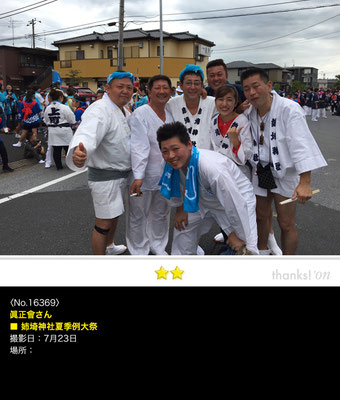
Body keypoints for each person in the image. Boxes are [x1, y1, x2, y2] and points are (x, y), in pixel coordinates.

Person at [240, 67, 327, 255]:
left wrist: (305, 182)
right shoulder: (249, 112)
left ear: (269, 85)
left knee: (286, 222)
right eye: (247, 89)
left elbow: (301, 144)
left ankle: (287, 264)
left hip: (285, 174)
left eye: (256, 86)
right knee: (261, 217)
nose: (252, 92)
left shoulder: (289, 109)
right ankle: (261, 255)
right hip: (261, 171)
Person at [157, 121, 259, 255]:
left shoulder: (212, 168)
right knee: (182, 230)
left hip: (237, 199)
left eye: (175, 149)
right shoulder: (168, 165)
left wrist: (237, 236)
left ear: (189, 144)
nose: (170, 156)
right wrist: (181, 209)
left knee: (247, 247)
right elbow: (182, 186)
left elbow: (235, 205)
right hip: (201, 199)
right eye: (165, 151)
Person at [66, 71, 134, 256]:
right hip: (105, 177)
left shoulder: (124, 111)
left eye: (129, 87)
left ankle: (110, 246)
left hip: (121, 174)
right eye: (120, 86)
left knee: (114, 215)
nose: (125, 91)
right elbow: (87, 133)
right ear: (108, 88)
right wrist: (80, 152)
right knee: (103, 224)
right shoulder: (99, 109)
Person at [210, 84, 282, 255]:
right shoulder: (214, 120)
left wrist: (235, 142)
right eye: (221, 99)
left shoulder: (242, 121)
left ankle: (249, 248)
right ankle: (233, 243)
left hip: (239, 173)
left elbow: (245, 156)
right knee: (226, 210)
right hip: (220, 173)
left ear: (236, 102)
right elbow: (213, 149)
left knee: (242, 210)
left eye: (229, 100)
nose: (225, 104)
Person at [166, 64, 216, 255]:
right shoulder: (172, 104)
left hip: (208, 164)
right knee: (187, 211)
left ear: (202, 85)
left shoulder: (211, 102)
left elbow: (232, 99)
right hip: (182, 165)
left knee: (214, 210)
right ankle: (186, 248)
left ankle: (194, 242)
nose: (193, 87)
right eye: (188, 83)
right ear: (180, 84)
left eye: (197, 83)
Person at [127, 75, 173, 255]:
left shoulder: (170, 113)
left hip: (165, 173)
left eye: (165, 88)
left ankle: (158, 245)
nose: (162, 91)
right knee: (138, 214)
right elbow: (138, 146)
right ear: (149, 91)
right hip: (143, 174)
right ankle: (139, 249)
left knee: (162, 212)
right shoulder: (141, 113)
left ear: (170, 91)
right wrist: (138, 176)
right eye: (157, 88)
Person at [44, 89, 76, 170]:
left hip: (53, 130)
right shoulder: (64, 107)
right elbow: (72, 119)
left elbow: (46, 120)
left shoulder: (48, 108)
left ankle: (59, 166)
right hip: (64, 130)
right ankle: (71, 164)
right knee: (67, 148)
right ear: (60, 97)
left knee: (56, 149)